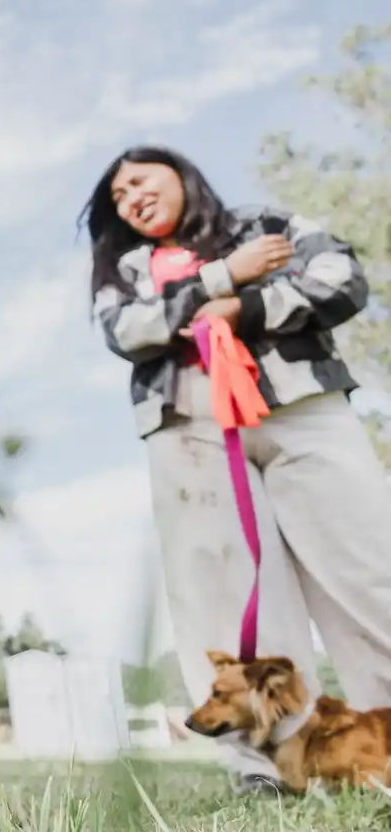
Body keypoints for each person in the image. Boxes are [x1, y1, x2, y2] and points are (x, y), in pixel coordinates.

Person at [85, 144, 391, 794]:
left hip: (298, 403)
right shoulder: (127, 269)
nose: (129, 196)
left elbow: (339, 278)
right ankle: (268, 766)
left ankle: (379, 738)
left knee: (365, 565)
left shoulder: (265, 225)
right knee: (218, 584)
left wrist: (243, 310)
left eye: (139, 179)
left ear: (178, 172)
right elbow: (126, 329)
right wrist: (227, 278)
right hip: (187, 424)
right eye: (117, 197)